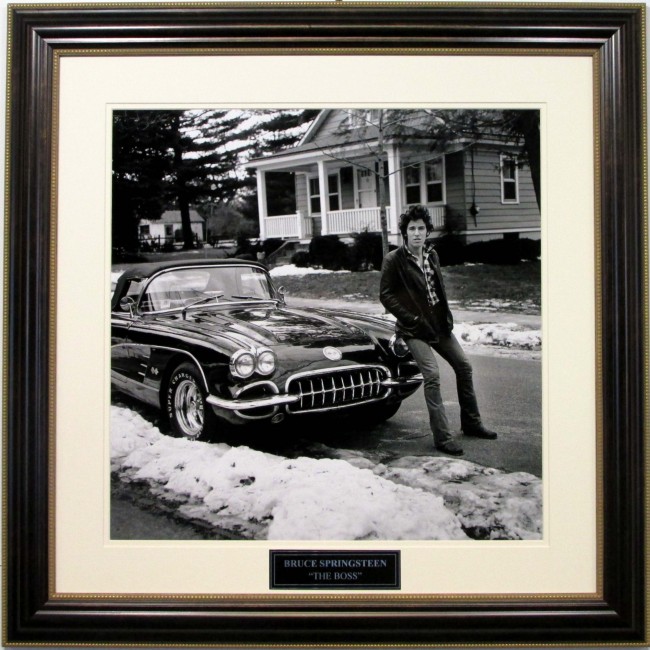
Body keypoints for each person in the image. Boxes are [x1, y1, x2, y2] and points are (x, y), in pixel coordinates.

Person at [379, 205, 497, 456]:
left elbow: (437, 291)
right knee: (432, 375)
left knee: (464, 366)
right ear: (405, 232)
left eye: (421, 228)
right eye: (412, 228)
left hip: (439, 325)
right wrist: (411, 318)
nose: (417, 233)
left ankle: (472, 423)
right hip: (414, 328)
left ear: (427, 231)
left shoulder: (432, 255)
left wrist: (446, 317)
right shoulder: (394, 260)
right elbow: (386, 295)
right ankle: (442, 437)